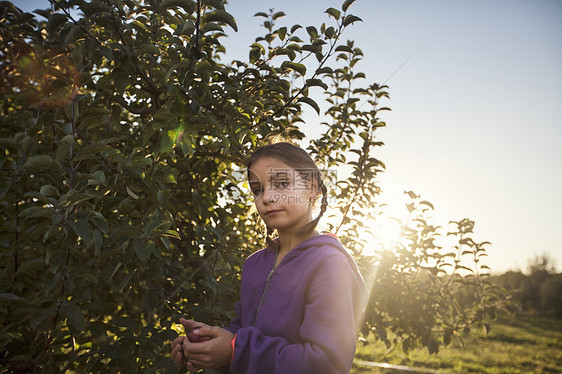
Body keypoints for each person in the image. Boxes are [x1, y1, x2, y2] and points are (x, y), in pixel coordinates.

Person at [171, 142, 369, 373]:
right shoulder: (254, 264)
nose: (267, 198)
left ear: (313, 188)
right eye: (258, 190)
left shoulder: (329, 265)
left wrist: (237, 351)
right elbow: (246, 332)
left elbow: (326, 363)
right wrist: (209, 347)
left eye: (282, 184)